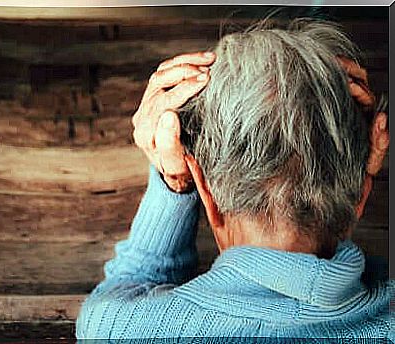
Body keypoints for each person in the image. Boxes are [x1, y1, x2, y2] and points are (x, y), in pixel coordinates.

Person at [76, 18, 392, 341]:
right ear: (359, 199)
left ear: (207, 199)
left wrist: (173, 183)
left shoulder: (119, 330)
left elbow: (120, 294)